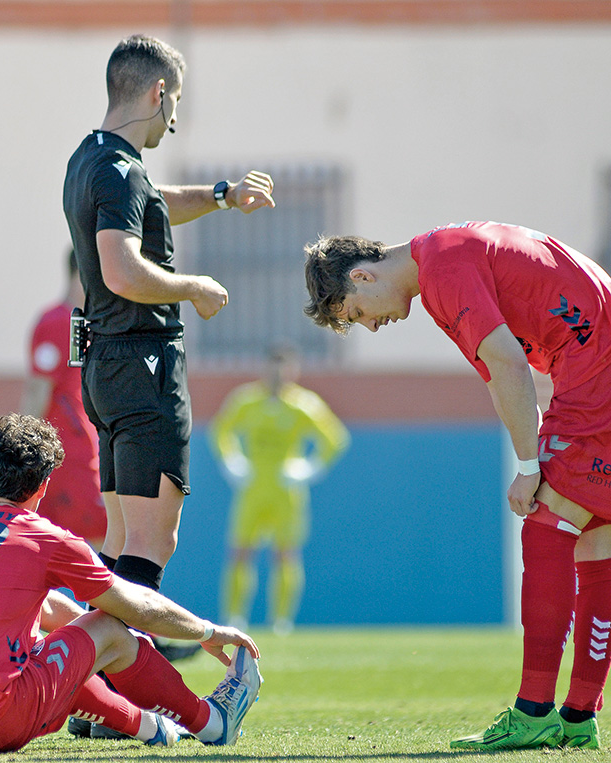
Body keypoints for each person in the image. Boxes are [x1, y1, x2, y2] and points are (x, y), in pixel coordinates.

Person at [303, 220, 611, 751]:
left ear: (363, 276)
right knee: (595, 533)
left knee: (548, 525)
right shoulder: (447, 253)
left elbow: (508, 366)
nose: (369, 326)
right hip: (594, 358)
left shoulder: (442, 269)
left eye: (356, 313)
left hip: (593, 369)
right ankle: (579, 717)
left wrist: (528, 465)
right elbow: (506, 365)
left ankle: (534, 711)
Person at [0, 413, 262, 754]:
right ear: (44, 486)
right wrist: (206, 631)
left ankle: (151, 728)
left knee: (48, 645)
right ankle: (212, 722)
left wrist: (86, 639)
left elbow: (34, 609)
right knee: (107, 626)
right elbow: (132, 607)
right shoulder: (45, 538)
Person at [62, 34, 275, 602]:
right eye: (175, 102)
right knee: (152, 544)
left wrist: (222, 194)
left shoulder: (91, 159)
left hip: (107, 364)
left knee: (122, 539)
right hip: (143, 363)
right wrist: (195, 288)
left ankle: (91, 677)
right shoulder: (120, 170)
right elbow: (123, 271)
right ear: (159, 93)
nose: (172, 121)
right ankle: (117, 678)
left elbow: (152, 200)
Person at [210, 343, 349, 635]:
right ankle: (235, 616)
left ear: (293, 370)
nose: (278, 373)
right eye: (273, 366)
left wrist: (310, 468)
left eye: (284, 367)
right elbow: (221, 431)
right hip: (253, 487)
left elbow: (335, 438)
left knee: (286, 553)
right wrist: (231, 461)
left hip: (286, 490)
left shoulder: (304, 404)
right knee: (240, 551)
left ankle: (281, 621)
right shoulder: (246, 400)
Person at [20, 248, 106, 548]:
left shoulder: (90, 323)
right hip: (65, 462)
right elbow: (36, 392)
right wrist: (22, 458)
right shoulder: (57, 322)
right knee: (97, 549)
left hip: (87, 455)